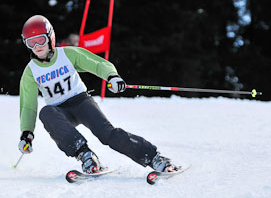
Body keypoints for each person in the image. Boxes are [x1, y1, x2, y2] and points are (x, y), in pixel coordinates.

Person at [18, 15, 181, 174]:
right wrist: (27, 133)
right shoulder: (31, 71)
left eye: (41, 40)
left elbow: (97, 64)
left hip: (81, 102)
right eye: (31, 42)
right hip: (60, 111)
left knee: (107, 134)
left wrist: (112, 76)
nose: (37, 45)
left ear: (50, 38)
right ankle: (86, 156)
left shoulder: (67, 54)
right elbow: (28, 106)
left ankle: (154, 158)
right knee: (45, 113)